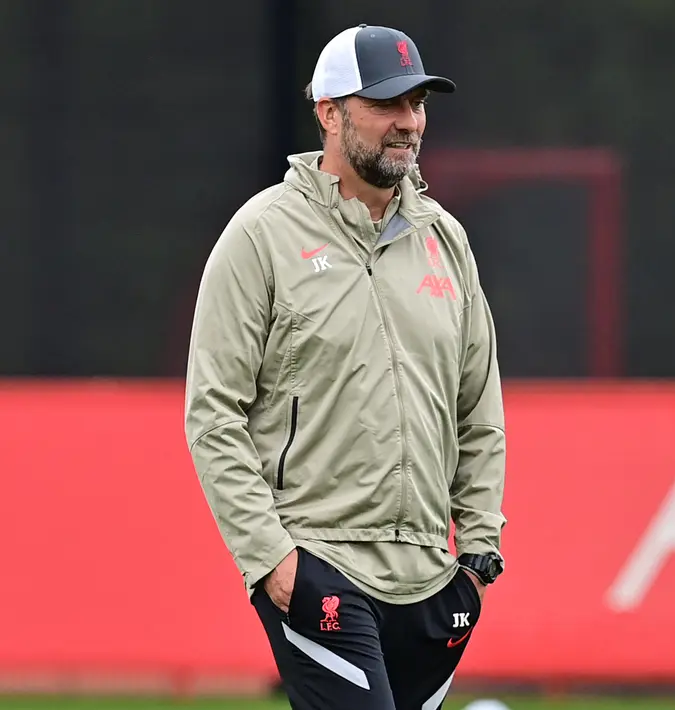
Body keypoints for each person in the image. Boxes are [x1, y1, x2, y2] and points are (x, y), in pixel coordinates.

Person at [184, 24, 506, 710]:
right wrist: (272, 558)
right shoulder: (261, 235)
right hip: (319, 563)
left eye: (417, 104)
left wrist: (477, 558)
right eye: (386, 105)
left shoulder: (446, 239)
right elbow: (213, 413)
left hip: (433, 577)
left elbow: (478, 411)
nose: (408, 123)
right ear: (328, 112)